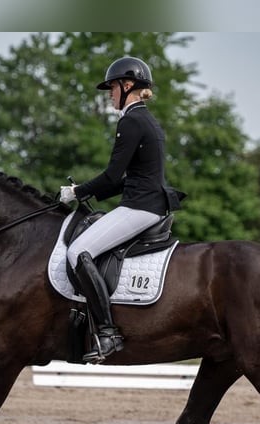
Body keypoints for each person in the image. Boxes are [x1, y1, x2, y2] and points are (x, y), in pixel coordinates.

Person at [60, 56, 177, 363]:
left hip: (141, 207)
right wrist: (86, 194)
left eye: (112, 88)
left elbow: (112, 176)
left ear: (127, 86)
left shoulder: (131, 120)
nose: (109, 94)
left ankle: (108, 332)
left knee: (77, 252)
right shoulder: (146, 119)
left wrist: (77, 191)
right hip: (147, 201)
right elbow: (127, 179)